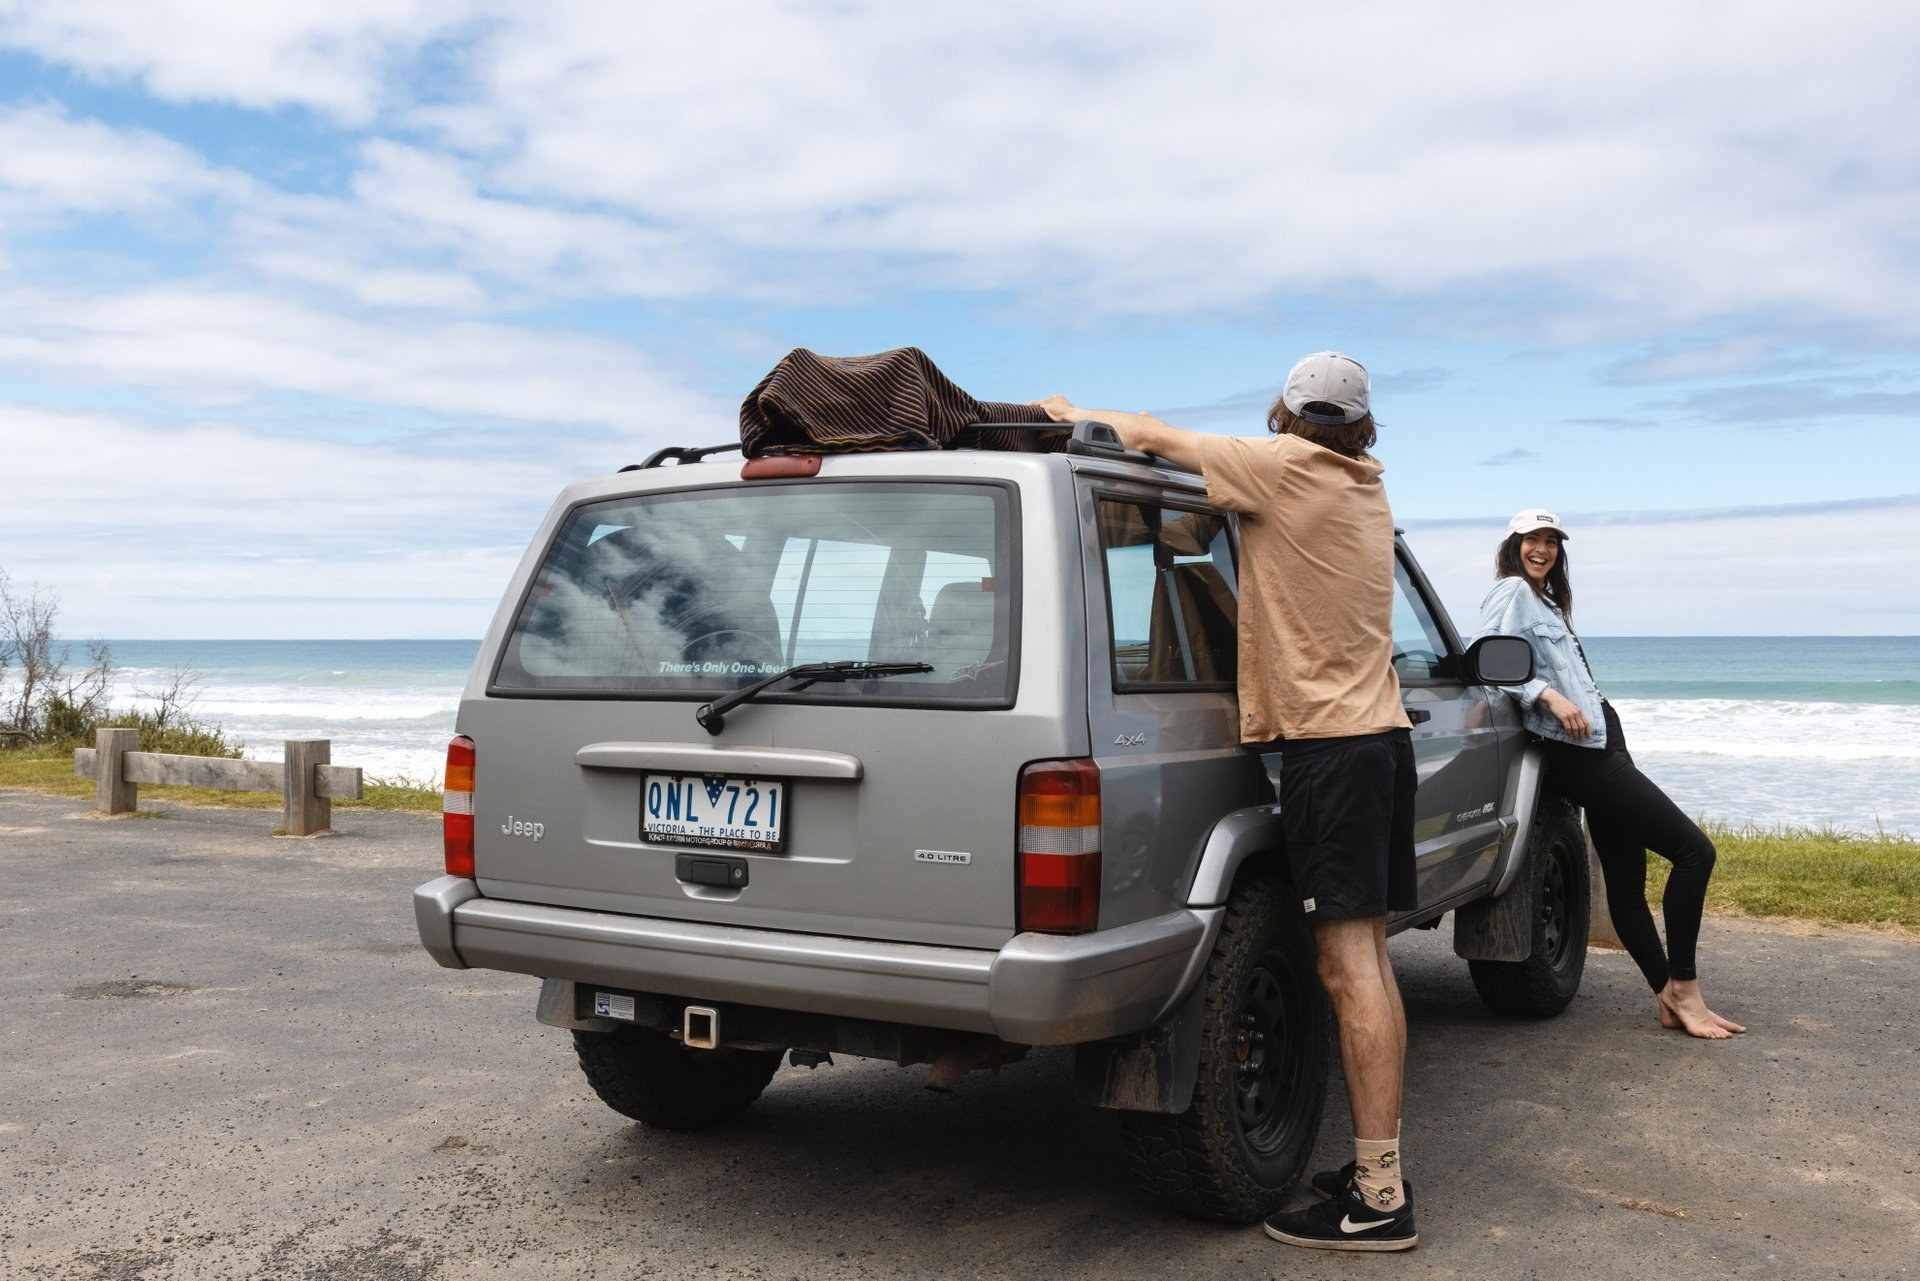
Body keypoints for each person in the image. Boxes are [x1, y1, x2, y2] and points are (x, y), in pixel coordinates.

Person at [1039, 351, 1420, 1253]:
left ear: (1287, 414)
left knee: (1347, 969)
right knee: (1367, 959)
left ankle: (1379, 1198)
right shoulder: (1363, 484)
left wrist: (1064, 406)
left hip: (1333, 749)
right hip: (1379, 740)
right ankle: (1380, 1169)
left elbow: (1153, 437)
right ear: (1360, 426)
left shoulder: (1284, 469)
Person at [1478, 509, 1745, 1040]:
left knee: (1626, 881)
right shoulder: (1511, 592)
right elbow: (1487, 654)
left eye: (1551, 540)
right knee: (1695, 853)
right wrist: (1546, 695)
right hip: (1582, 753)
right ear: (1513, 544)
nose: (1543, 548)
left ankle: (1669, 999)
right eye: (1532, 538)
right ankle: (1685, 989)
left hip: (1601, 739)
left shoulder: (1547, 600)